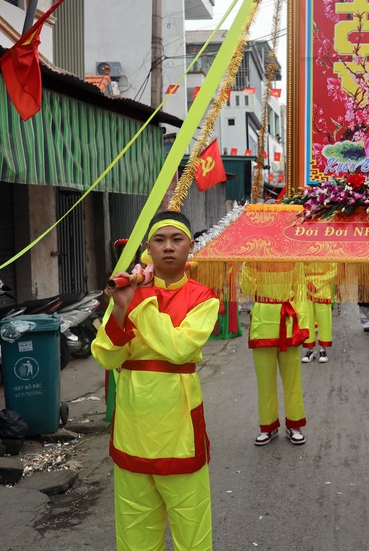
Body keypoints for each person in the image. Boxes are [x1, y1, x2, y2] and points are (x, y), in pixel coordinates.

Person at [93, 211, 221, 551]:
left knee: (191, 532)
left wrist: (140, 302)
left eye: (176, 240)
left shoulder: (204, 298)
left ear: (190, 246)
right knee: (135, 535)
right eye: (159, 240)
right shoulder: (129, 292)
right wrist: (119, 309)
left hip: (179, 430)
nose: (168, 247)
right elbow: (107, 357)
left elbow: (178, 349)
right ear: (147, 248)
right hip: (132, 428)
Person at [241, 260, 310, 445]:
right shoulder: (254, 260)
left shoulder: (294, 260)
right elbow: (246, 288)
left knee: (292, 379)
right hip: (262, 321)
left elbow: (300, 291)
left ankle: (294, 424)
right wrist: (248, 265)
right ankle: (268, 426)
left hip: (288, 320)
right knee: (264, 380)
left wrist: (302, 325)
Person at [302, 262, 337, 363]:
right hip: (307, 287)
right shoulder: (304, 252)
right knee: (308, 320)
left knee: (324, 320)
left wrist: (317, 283)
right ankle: (310, 350)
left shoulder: (329, 253)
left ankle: (323, 350)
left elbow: (334, 271)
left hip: (323, 288)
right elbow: (299, 268)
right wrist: (307, 281)